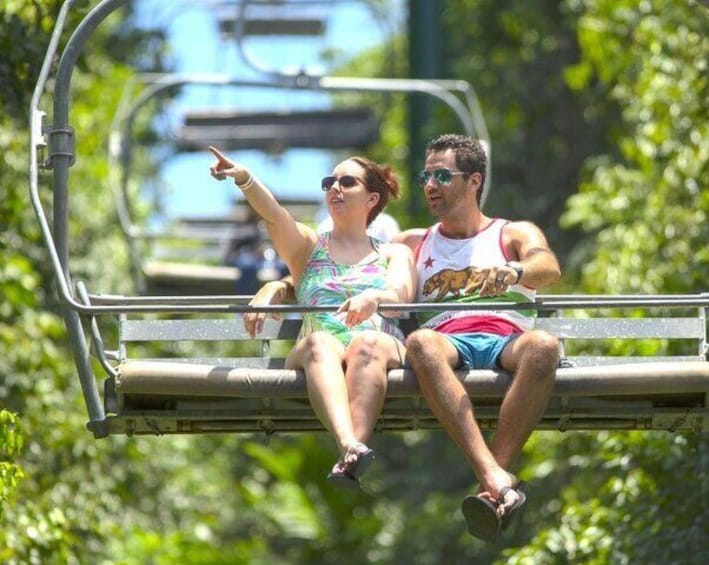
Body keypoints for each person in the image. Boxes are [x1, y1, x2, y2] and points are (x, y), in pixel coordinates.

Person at [208, 146, 416, 488]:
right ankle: (350, 446)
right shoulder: (309, 247)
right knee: (319, 342)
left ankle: (351, 451)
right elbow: (275, 216)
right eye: (328, 181)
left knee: (367, 342)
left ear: (372, 199)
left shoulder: (394, 253)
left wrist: (375, 297)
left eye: (347, 182)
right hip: (321, 349)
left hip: (378, 346)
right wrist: (245, 179)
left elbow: (400, 293)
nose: (334, 188)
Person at [394, 134, 562, 541]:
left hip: (506, 337)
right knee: (419, 344)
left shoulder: (511, 233)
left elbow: (547, 265)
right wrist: (283, 285)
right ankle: (496, 479)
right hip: (448, 338)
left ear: (474, 181)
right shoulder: (413, 243)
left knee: (544, 346)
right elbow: (352, 265)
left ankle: (491, 479)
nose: (430, 185)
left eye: (441, 175)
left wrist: (517, 272)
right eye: (426, 176)